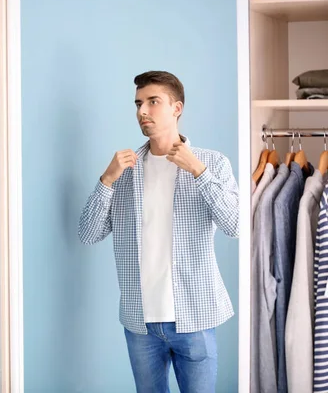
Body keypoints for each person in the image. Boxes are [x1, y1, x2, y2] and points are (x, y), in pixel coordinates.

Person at [78, 70, 239, 392]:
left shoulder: (212, 163)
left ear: (176, 108)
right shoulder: (124, 170)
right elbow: (88, 233)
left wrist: (199, 171)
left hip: (195, 315)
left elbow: (233, 225)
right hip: (141, 321)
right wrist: (106, 180)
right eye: (138, 103)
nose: (142, 111)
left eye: (153, 102)